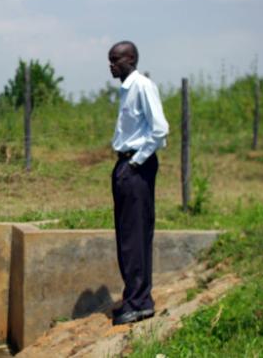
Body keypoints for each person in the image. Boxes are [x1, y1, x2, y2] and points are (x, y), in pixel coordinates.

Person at [107, 41, 169, 326]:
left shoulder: (142, 86)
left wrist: (135, 162)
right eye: (110, 60)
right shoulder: (126, 89)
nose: (111, 65)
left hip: (137, 167)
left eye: (116, 60)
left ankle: (141, 302)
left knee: (136, 237)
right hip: (126, 164)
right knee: (127, 237)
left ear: (130, 59)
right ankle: (133, 298)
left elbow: (160, 130)